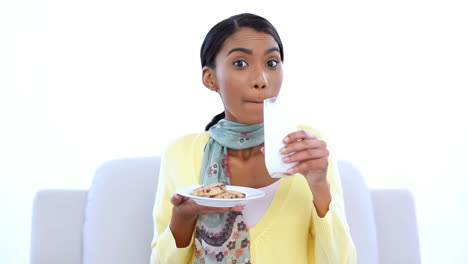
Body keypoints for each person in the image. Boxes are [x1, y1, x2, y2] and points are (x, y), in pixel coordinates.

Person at [150, 13, 356, 264]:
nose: (262, 80)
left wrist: (319, 185)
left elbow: (342, 260)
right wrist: (182, 220)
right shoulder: (180, 153)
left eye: (271, 63)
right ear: (210, 78)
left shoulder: (306, 146)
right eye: (240, 63)